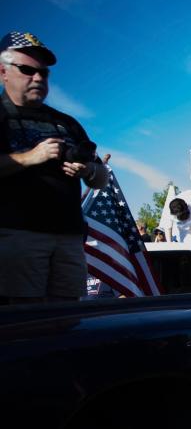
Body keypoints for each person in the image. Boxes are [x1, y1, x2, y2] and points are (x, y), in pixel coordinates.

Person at [0, 31, 108, 304]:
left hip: (68, 239)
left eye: (44, 73)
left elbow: (101, 178)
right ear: (4, 71)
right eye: (27, 70)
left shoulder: (66, 122)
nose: (37, 78)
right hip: (18, 237)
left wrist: (87, 171)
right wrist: (29, 157)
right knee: (24, 322)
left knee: (67, 319)